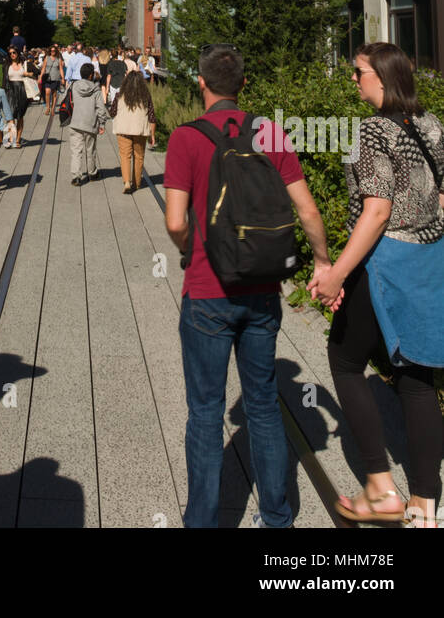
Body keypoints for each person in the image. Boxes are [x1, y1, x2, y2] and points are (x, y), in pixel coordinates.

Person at [163, 44, 335, 530]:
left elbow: (175, 221)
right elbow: (307, 211)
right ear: (244, 84)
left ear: (201, 83)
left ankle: (202, 521)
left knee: (205, 411)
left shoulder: (186, 139)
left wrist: (190, 249)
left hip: (207, 292)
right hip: (261, 290)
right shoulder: (270, 131)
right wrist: (322, 262)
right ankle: (277, 516)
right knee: (263, 404)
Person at [309, 43, 444, 527]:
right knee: (416, 376)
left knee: (345, 361)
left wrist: (337, 273)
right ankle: (425, 506)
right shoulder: (430, 124)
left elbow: (378, 209)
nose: (353, 80)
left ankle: (381, 488)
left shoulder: (370, 130)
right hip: (428, 258)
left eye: (358, 72)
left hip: (384, 261)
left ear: (382, 79)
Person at [109, 71, 157, 193]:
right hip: (140, 130)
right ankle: (137, 183)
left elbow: (112, 112)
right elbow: (152, 116)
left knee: (125, 156)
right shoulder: (146, 96)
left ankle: (126, 182)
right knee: (139, 156)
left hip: (123, 129)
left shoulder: (119, 95)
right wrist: (152, 134)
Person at [68, 62, 107, 187]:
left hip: (75, 122)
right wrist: (102, 123)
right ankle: (92, 173)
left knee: (76, 151)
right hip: (90, 123)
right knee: (91, 150)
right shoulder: (96, 89)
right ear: (91, 75)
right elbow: (100, 108)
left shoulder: (74, 85)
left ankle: (76, 177)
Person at [6, 51, 29, 147]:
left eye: (14, 52)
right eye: (10, 53)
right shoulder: (7, 65)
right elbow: (4, 79)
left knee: (20, 116)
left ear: (18, 54)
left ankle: (18, 140)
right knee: (10, 115)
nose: (12, 54)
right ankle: (11, 138)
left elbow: (37, 72)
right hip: (10, 91)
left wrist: (28, 74)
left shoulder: (24, 64)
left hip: (22, 91)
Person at [40, 46, 65, 116]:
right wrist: (40, 77)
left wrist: (63, 78)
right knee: (47, 92)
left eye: (54, 51)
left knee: (54, 94)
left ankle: (53, 108)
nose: (52, 52)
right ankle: (48, 107)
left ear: (56, 51)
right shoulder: (47, 58)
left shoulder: (58, 59)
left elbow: (61, 69)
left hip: (56, 78)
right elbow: (43, 68)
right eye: (51, 51)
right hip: (48, 78)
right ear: (49, 51)